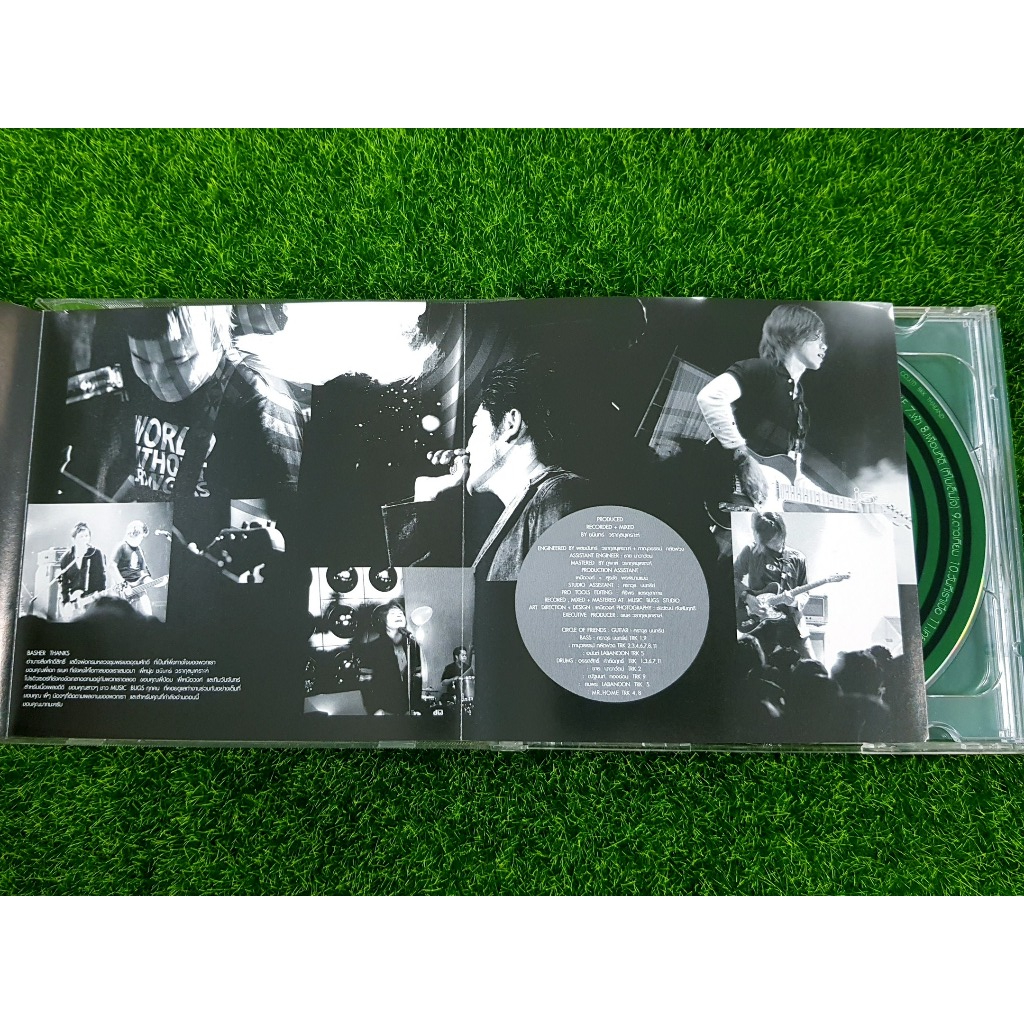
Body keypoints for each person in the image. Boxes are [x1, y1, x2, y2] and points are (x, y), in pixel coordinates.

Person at [382, 356, 590, 581]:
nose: (467, 445)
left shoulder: (557, 496)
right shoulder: (535, 505)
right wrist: (426, 494)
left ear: (510, 424)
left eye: (475, 426)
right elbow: (422, 596)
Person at [102, 306, 306, 504]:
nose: (158, 377)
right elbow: (136, 473)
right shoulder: (137, 379)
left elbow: (271, 519)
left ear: (217, 339)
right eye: (142, 361)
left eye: (178, 361)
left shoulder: (259, 406)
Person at [697, 304, 827, 508]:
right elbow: (711, 397)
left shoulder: (801, 406)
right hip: (725, 488)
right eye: (817, 337)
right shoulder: (763, 370)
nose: (824, 346)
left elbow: (793, 474)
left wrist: (833, 501)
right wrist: (743, 460)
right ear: (794, 334)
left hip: (753, 507)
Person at [734, 511, 812, 659]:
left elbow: (805, 592)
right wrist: (747, 597)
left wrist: (794, 601)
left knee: (811, 665)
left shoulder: (797, 558)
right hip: (759, 623)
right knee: (753, 666)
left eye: (777, 538)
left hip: (792, 624)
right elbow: (732, 577)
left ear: (783, 532)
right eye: (769, 541)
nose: (775, 543)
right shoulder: (751, 551)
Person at [357, 602, 424, 715]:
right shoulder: (372, 648)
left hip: (409, 710)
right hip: (384, 710)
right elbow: (365, 682)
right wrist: (374, 709)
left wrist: (415, 707)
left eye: (401, 613)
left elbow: (417, 678)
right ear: (383, 620)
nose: (398, 615)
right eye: (392, 613)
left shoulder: (412, 645)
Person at [58, 522, 107, 621]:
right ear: (74, 539)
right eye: (81, 537)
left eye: (87, 536)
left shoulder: (96, 554)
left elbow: (102, 578)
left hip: (91, 600)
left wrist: (99, 596)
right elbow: (63, 584)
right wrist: (66, 602)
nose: (85, 539)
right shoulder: (66, 558)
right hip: (74, 602)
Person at [111, 519, 158, 616]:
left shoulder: (139, 550)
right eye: (140, 536)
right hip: (122, 592)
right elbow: (112, 566)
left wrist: (153, 582)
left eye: (141, 536)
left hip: (139, 591)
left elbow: (143, 572)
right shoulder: (122, 546)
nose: (141, 539)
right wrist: (123, 584)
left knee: (147, 616)